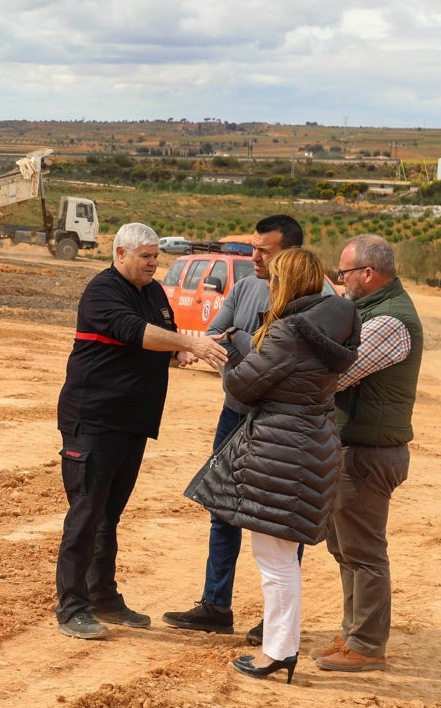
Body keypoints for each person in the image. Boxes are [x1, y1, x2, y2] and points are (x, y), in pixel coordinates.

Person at [185, 248, 361, 683]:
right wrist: (249, 339)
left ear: (288, 284)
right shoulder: (334, 324)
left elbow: (242, 389)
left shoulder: (287, 334)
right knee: (280, 558)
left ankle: (278, 651)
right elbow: (286, 368)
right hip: (308, 446)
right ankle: (279, 647)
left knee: (274, 562)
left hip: (281, 451)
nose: (270, 286)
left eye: (275, 279)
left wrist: (237, 351)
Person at [55, 223, 228, 640]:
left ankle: (102, 596)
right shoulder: (102, 291)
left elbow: (148, 343)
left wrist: (178, 351)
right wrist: (193, 342)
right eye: (146, 256)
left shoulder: (152, 292)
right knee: (85, 514)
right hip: (94, 419)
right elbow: (135, 332)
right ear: (119, 254)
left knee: (108, 516)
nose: (154, 263)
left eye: (156, 256)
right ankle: (71, 606)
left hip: (131, 422)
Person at [162, 214, 305, 644]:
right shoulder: (243, 287)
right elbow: (213, 338)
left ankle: (274, 623)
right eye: (254, 247)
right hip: (235, 411)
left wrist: (241, 344)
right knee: (222, 507)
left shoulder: (313, 299)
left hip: (281, 422)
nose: (255, 257)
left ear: (292, 253)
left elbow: (281, 361)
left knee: (281, 522)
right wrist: (242, 346)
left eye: (266, 250)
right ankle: (215, 605)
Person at [313, 235, 423, 672]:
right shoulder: (370, 311)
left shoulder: (389, 321)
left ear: (368, 274)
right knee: (345, 549)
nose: (339, 282)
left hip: (368, 453)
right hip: (355, 447)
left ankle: (367, 646)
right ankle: (351, 635)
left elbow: (338, 375)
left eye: (344, 273)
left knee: (365, 553)